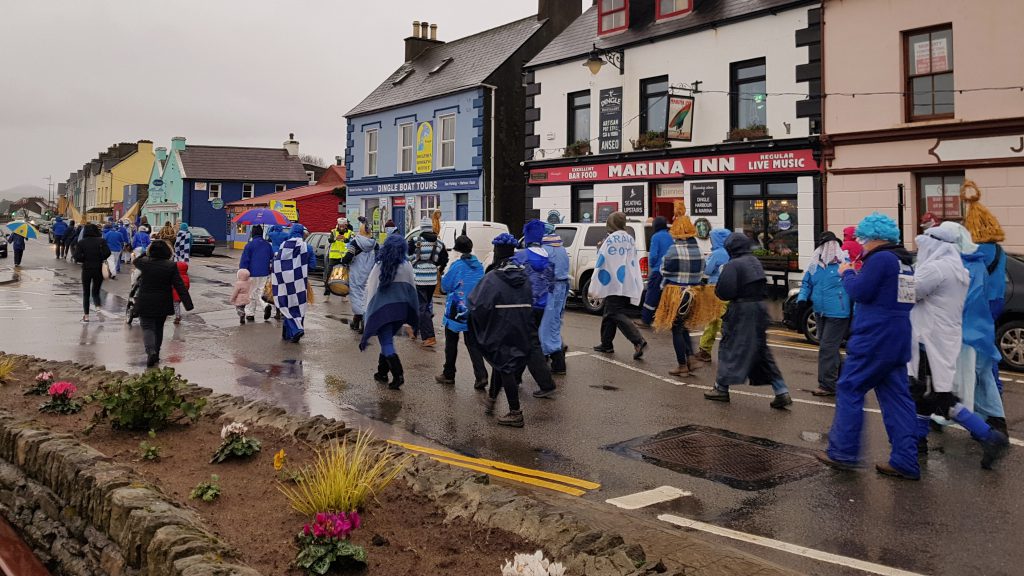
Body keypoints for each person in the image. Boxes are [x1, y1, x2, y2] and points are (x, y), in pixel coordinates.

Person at [818, 212, 918, 480]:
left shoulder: (880, 259)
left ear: (874, 237)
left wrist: (847, 273)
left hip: (874, 335)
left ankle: (843, 452)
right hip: (899, 335)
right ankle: (906, 459)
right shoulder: (904, 261)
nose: (861, 243)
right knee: (897, 397)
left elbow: (860, 292)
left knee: (850, 387)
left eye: (863, 238)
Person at [909, 225, 1008, 468]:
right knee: (927, 392)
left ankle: (988, 435)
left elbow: (910, 292)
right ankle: (918, 441)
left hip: (929, 339)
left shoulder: (936, 268)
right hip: (945, 338)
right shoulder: (957, 267)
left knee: (937, 395)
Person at [704, 232, 792, 408]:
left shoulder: (734, 265)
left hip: (741, 310)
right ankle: (781, 391)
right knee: (761, 350)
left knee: (729, 347)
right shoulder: (754, 261)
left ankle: (721, 388)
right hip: (759, 308)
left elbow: (724, 292)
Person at [941, 221, 1007, 436]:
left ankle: (982, 428)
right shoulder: (986, 256)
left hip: (967, 328)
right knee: (983, 372)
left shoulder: (965, 263)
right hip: (982, 323)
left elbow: (962, 299)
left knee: (966, 376)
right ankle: (996, 420)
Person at [470, 235, 536, 427]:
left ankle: (515, 412)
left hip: (500, 327)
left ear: (497, 252)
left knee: (505, 366)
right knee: (501, 363)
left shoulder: (492, 277)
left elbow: (477, 304)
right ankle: (491, 400)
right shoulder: (524, 276)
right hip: (521, 326)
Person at [961, 180, 1008, 395]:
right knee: (987, 342)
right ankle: (993, 383)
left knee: (973, 345)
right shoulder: (999, 250)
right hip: (996, 299)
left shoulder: (974, 250)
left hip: (977, 300)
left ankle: (986, 385)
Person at [360, 234, 420, 390]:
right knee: (386, 340)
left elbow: (371, 289)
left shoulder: (379, 265)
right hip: (400, 311)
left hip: (382, 311)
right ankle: (382, 373)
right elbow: (412, 288)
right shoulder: (407, 265)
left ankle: (398, 375)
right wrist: (413, 311)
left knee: (386, 342)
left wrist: (368, 312)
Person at [796, 231, 851, 396]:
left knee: (827, 347)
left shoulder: (844, 264)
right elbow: (806, 282)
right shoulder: (815, 265)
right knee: (830, 348)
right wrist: (802, 299)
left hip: (838, 313)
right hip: (820, 311)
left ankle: (827, 385)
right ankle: (843, 379)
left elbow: (853, 286)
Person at [653, 202, 704, 377]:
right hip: (694, 293)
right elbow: (702, 271)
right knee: (683, 327)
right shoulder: (698, 250)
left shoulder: (674, 250)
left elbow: (664, 270)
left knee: (676, 329)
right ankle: (690, 358)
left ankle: (682, 365)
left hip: (676, 294)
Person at [589, 212, 647, 359]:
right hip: (626, 280)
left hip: (613, 282)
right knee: (609, 312)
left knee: (614, 312)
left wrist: (600, 247)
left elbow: (604, 259)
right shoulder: (629, 237)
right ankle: (606, 344)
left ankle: (638, 340)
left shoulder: (611, 239)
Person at [511, 220, 557, 398]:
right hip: (541, 305)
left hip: (524, 305)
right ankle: (515, 377)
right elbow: (552, 284)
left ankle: (546, 383)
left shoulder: (521, 256)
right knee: (525, 340)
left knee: (529, 343)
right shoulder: (548, 257)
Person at [435, 234, 489, 388]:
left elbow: (445, 287)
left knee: (451, 342)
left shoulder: (457, 266)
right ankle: (481, 375)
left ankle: (449, 374)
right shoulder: (479, 266)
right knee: (472, 343)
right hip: (474, 308)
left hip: (457, 310)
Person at [133, 240, 193, 367]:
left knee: (147, 327)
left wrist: (146, 252)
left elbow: (136, 260)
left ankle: (150, 351)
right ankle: (157, 354)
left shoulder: (144, 263)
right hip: (163, 301)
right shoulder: (171, 266)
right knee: (158, 327)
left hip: (145, 300)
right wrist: (188, 304)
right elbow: (179, 285)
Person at [408, 211, 448, 348]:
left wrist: (414, 261)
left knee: (422, 307)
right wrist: (436, 267)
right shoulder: (440, 243)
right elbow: (444, 259)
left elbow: (407, 255)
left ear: (422, 228)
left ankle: (429, 336)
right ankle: (414, 330)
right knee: (424, 305)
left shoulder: (415, 241)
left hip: (418, 277)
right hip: (432, 279)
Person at [272, 224, 315, 343]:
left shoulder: (283, 245)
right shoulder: (308, 247)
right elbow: (312, 266)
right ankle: (296, 329)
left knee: (286, 305)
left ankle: (292, 331)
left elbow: (277, 262)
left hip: (284, 282)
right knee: (299, 304)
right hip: (301, 281)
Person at [695, 228, 732, 362]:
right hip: (729, 288)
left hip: (714, 287)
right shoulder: (732, 252)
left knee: (712, 320)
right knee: (725, 320)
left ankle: (705, 350)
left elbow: (708, 270)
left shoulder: (716, 253)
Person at [539, 224, 570, 375]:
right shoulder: (560, 247)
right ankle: (552, 354)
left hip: (551, 288)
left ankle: (558, 363)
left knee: (546, 325)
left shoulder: (545, 249)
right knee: (554, 323)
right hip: (561, 287)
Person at [341, 217, 378, 333]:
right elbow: (378, 258)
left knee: (357, 297)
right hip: (370, 275)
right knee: (367, 297)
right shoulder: (374, 244)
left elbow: (347, 258)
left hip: (357, 275)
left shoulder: (355, 243)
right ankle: (356, 322)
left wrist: (343, 261)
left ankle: (363, 323)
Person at [636, 216, 672, 329]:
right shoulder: (671, 236)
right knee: (666, 296)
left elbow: (653, 255)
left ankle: (646, 320)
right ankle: (667, 320)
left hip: (658, 271)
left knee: (651, 295)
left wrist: (652, 265)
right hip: (670, 271)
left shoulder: (656, 237)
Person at [73, 223, 111, 322]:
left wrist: (84, 259)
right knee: (96, 291)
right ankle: (98, 309)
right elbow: (108, 252)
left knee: (86, 293)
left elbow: (76, 257)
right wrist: (101, 258)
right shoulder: (101, 241)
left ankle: (86, 316)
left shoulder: (82, 242)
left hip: (87, 269)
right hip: (98, 268)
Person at [239, 224, 273, 323]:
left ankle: (250, 314)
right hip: (265, 273)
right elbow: (272, 257)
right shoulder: (267, 245)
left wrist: (242, 271)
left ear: (253, 233)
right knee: (261, 292)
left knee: (251, 293)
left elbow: (245, 260)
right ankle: (266, 305)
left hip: (252, 273)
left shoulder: (249, 245)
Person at [324, 218, 354, 297]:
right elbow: (330, 240)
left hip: (344, 257)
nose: (341, 227)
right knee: (329, 273)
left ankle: (344, 292)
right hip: (334, 256)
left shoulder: (350, 232)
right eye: (340, 226)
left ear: (346, 225)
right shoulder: (333, 231)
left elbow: (352, 242)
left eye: (343, 226)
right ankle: (327, 290)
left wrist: (345, 239)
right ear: (338, 224)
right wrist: (335, 238)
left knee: (345, 274)